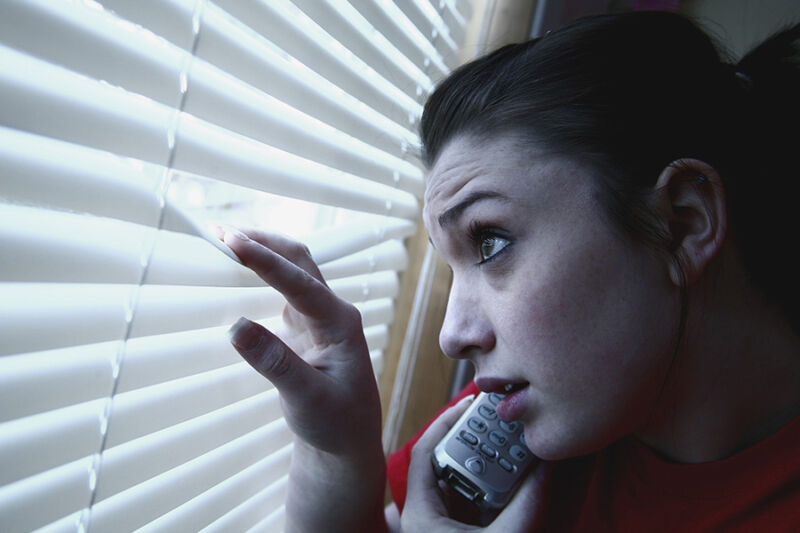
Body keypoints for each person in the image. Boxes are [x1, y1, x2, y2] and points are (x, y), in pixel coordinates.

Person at [223, 11, 800, 532]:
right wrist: (337, 454)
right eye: (452, 268)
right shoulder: (517, 431)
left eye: (491, 242)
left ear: (682, 222)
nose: (452, 336)